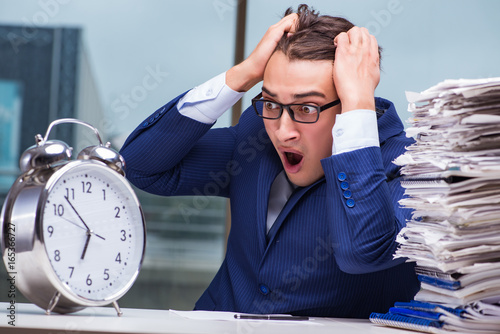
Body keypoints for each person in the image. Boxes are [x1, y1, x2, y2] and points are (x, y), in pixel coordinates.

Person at [119, 4, 420, 318]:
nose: (282, 132)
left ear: (348, 101)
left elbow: (364, 253)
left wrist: (359, 104)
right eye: (272, 102)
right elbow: (140, 166)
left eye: (306, 108)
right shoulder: (256, 137)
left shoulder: (412, 167)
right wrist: (244, 73)